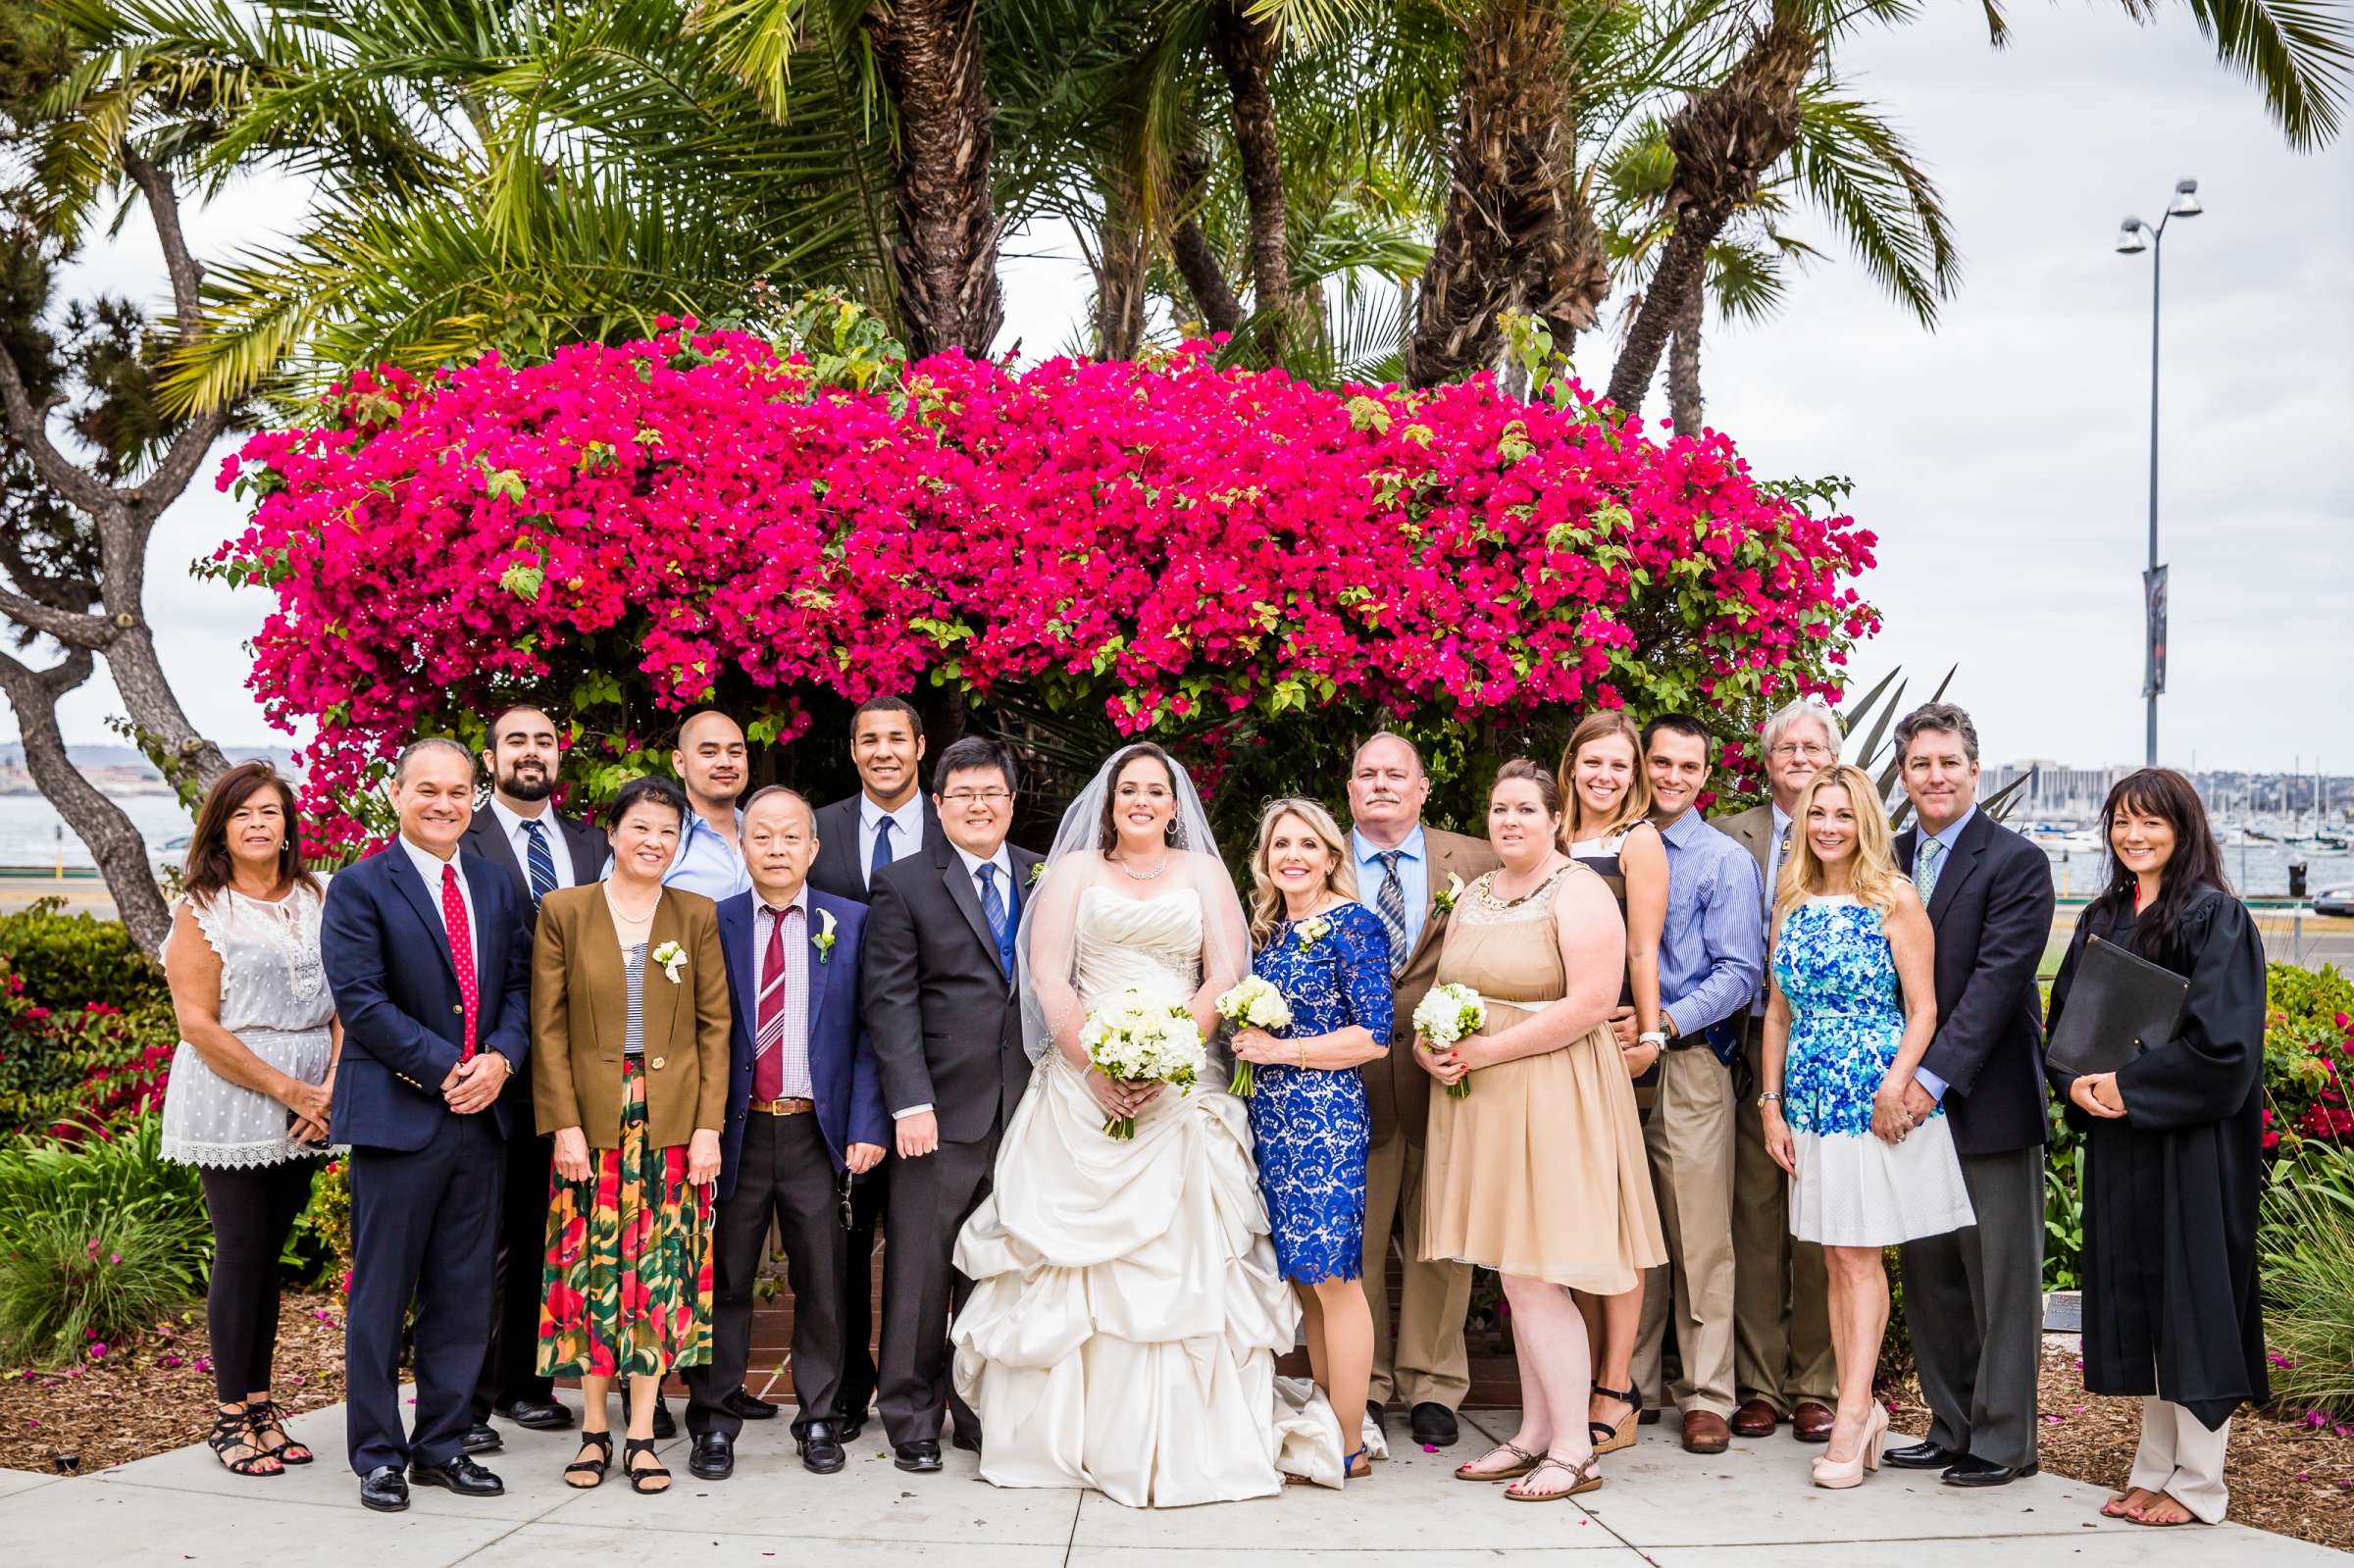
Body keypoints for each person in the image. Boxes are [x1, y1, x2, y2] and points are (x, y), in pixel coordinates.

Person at [951, 742, 1344, 1505]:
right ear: (1109, 802)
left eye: (1154, 791)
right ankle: (1063, 1439)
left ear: (1173, 804)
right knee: (1071, 1272)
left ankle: (1186, 1439)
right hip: (1078, 1082)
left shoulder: (1202, 874)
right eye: (1127, 789)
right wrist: (1095, 1066)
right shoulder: (1071, 874)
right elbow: (1047, 974)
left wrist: (1168, 1057)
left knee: (1187, 1256)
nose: (1140, 801)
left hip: (1181, 1083)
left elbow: (1226, 973)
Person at [1424, 760, 1665, 1502]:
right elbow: (1442, 989)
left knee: (1537, 1272)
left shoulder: (1581, 889)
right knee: (1512, 1267)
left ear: (1555, 819)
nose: (1510, 822)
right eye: (1500, 809)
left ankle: (1574, 1449)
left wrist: (1488, 1048)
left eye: (1526, 809)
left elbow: (1595, 999)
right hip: (1483, 1097)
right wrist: (1430, 1048)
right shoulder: (1475, 893)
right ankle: (1533, 1431)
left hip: (1554, 1089)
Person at [2046, 769, 2267, 1528]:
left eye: (2151, 822)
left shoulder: (2218, 919)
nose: (2133, 836)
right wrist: (2074, 1082)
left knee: (2194, 1303)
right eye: (2121, 822)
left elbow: (2225, 1050)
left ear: (2184, 828)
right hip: (2123, 1144)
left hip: (2192, 1151)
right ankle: (2154, 1466)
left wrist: (2130, 1088)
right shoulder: (2104, 915)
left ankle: (2201, 1481)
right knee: (2149, 1304)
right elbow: (2067, 1020)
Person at [320, 737, 532, 1513]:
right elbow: (362, 1001)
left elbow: (518, 984)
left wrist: (502, 1059)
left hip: (483, 1116)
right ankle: (378, 1453)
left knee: (463, 1290)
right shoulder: (358, 887)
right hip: (402, 1116)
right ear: (396, 793)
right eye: (427, 790)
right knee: (383, 1293)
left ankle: (442, 1442)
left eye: (458, 791)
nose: (443, 804)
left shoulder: (494, 884)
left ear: (474, 797)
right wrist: (450, 1067)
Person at [1758, 764, 1972, 1491]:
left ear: (1866, 822)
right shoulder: (1792, 900)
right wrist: (1770, 1103)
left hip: (1871, 1098)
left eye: (1843, 815)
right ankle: (1862, 1406)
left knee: (1857, 1257)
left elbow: (1925, 1009)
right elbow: (1779, 1014)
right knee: (1834, 1258)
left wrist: (1895, 1085)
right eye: (1818, 813)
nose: (1828, 826)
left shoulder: (1895, 898)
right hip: (1812, 1099)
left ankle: (1854, 1412)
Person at [531, 776, 729, 1495]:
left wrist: (708, 1126)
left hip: (672, 1124)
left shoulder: (696, 913)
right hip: (592, 1120)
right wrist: (565, 1124)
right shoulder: (565, 910)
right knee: (590, 1272)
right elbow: (547, 1027)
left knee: (655, 1275)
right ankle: (592, 1431)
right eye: (640, 827)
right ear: (611, 833)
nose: (653, 841)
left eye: (667, 832)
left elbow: (716, 1028)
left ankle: (642, 1435)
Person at [685, 787, 889, 1482]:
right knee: (727, 1280)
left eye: (790, 837)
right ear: (744, 847)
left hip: (814, 1132)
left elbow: (871, 1034)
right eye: (762, 836)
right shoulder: (714, 921)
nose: (776, 848)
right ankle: (714, 1423)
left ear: (813, 847)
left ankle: (820, 1418)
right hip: (736, 1131)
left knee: (825, 1282)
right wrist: (699, 1128)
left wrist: (866, 1123)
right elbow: (695, 1034)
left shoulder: (852, 922)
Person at [1884, 703, 2057, 1490]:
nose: (1935, 776)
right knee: (1931, 1275)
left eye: (1949, 761)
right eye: (1921, 764)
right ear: (1904, 773)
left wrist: (1925, 1080)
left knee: (2000, 1279)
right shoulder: (1884, 859)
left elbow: (1993, 987)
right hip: (1903, 1108)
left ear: (1975, 770)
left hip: (1984, 1100)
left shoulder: (2017, 862)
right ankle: (1950, 1423)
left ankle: (2005, 1439)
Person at [864, 736, 1043, 1474]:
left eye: (991, 793)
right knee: (920, 1269)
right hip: (937, 1110)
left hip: (1030, 1109)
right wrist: (909, 1101)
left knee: (997, 1270)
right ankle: (910, 1412)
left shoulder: (1044, 874)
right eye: (962, 794)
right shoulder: (904, 882)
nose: (978, 805)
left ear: (1009, 799)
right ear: (938, 805)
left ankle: (976, 1410)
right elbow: (890, 999)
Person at [159, 761, 338, 1479]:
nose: (260, 823)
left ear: (288, 822)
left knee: (271, 1252)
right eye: (243, 814)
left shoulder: (319, 893)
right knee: (240, 1248)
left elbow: (346, 999)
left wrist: (327, 1086)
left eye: (270, 811)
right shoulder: (202, 906)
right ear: (222, 829)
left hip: (313, 1096)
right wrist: (288, 1088)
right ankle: (230, 1415)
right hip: (234, 1092)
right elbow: (196, 1023)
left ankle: (263, 1406)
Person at [1233, 797, 1392, 1483]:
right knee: (1306, 1282)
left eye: (1306, 843)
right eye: (1279, 845)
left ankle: (1350, 1440)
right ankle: (1331, 1428)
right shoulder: (1268, 932)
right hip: (1272, 1120)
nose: (1291, 854)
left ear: (1332, 856)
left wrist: (1281, 1052)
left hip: (1324, 1116)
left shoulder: (1353, 924)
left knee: (1336, 1277)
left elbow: (1375, 1036)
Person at [1347, 731, 1496, 1453]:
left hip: (1448, 1079)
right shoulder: (1316, 853)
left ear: (1423, 788)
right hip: (1349, 1083)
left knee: (1443, 1237)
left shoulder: (1474, 859)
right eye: (1367, 774)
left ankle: (1435, 1384)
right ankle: (1366, 1382)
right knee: (1360, 1241)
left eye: (1395, 773)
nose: (1381, 783)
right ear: (1349, 792)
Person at [460, 704, 605, 1447]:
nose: (531, 751)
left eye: (544, 740)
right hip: (494, 1068)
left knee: (549, 1231)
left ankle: (525, 1381)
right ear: (490, 760)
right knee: (485, 1237)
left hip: (579, 1072)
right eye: (515, 740)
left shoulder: (592, 842)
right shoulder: (464, 836)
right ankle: (469, 1396)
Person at [1620, 716, 1766, 1455]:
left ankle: (1708, 1393)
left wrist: (1663, 1025)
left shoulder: (1723, 861)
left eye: (1689, 765)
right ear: (1642, 765)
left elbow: (1739, 972)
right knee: (1628, 1233)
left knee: (1699, 1235)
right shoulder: (1609, 846)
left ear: (1707, 775)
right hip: (1603, 1062)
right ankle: (1629, 1386)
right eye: (1662, 761)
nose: (1673, 776)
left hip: (1689, 1061)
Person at [807, 693, 945, 1439]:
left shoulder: (953, 824)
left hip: (937, 1067)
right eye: (870, 739)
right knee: (843, 1237)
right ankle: (845, 1388)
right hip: (837, 1064)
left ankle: (927, 1384)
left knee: (926, 1237)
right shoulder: (818, 830)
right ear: (853, 750)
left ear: (921, 746)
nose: (884, 750)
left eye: (898, 737)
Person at [1714, 698, 1841, 1443]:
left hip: (1830, 1048)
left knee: (1822, 1222)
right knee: (1756, 1220)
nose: (1798, 756)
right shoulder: (1734, 837)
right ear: (1767, 761)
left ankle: (1815, 1384)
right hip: (1748, 1038)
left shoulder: (1858, 836)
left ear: (1832, 757)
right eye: (1785, 746)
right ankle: (1758, 1383)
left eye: (1812, 745)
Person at [1554, 713, 1672, 1456]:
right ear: (1572, 765)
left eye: (1619, 766)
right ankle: (1569, 1382)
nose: (1605, 775)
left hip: (1605, 1046)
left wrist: (1651, 1037)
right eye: (1592, 761)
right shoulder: (1549, 835)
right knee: (1563, 1225)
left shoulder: (1640, 842)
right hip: (1541, 1051)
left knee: (1614, 1222)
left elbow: (1643, 948)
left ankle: (1615, 1386)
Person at [661, 709, 753, 901]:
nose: (725, 763)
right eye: (709, 753)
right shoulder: (653, 841)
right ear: (680, 763)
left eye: (735, 752)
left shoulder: (763, 834)